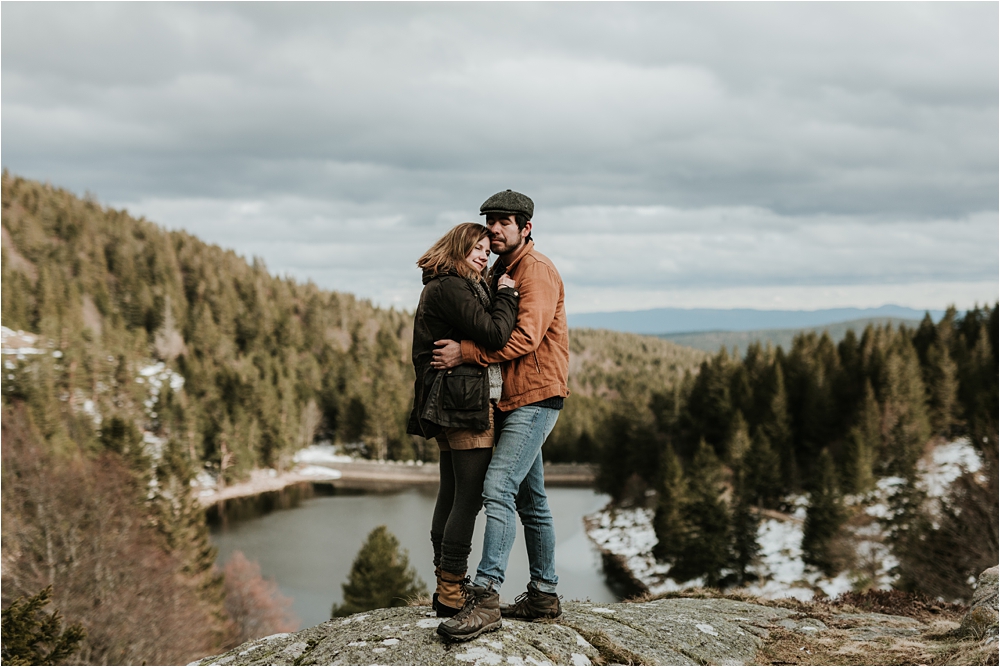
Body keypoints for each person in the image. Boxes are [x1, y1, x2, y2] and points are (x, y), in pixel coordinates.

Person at [433, 190, 570, 642]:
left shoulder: (536, 270)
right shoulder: (501, 270)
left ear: (525, 227)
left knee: (497, 488)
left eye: (504, 222)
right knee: (532, 502)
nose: (494, 228)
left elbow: (525, 339)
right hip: (512, 398)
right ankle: (544, 594)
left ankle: (486, 596)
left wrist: (464, 353)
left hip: (534, 396)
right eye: (490, 220)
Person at [406, 222, 520, 618]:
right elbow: (494, 333)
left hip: (447, 399)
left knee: (452, 494)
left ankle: (445, 587)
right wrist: (506, 294)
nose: (483, 255)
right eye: (476, 248)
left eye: (487, 251)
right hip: (464, 403)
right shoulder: (453, 285)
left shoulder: (442, 283)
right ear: (458, 247)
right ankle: (452, 590)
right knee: (467, 499)